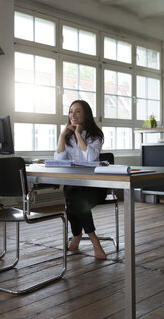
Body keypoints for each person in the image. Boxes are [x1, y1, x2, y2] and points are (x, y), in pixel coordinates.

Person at [54, 100, 107, 259]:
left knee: (73, 198)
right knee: (72, 193)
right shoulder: (66, 136)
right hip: (76, 186)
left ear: (86, 114)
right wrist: (63, 136)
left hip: (95, 188)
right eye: (70, 111)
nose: (73, 115)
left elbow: (91, 159)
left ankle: (82, 237)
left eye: (77, 111)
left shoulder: (95, 136)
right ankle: (89, 239)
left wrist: (78, 133)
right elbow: (58, 160)